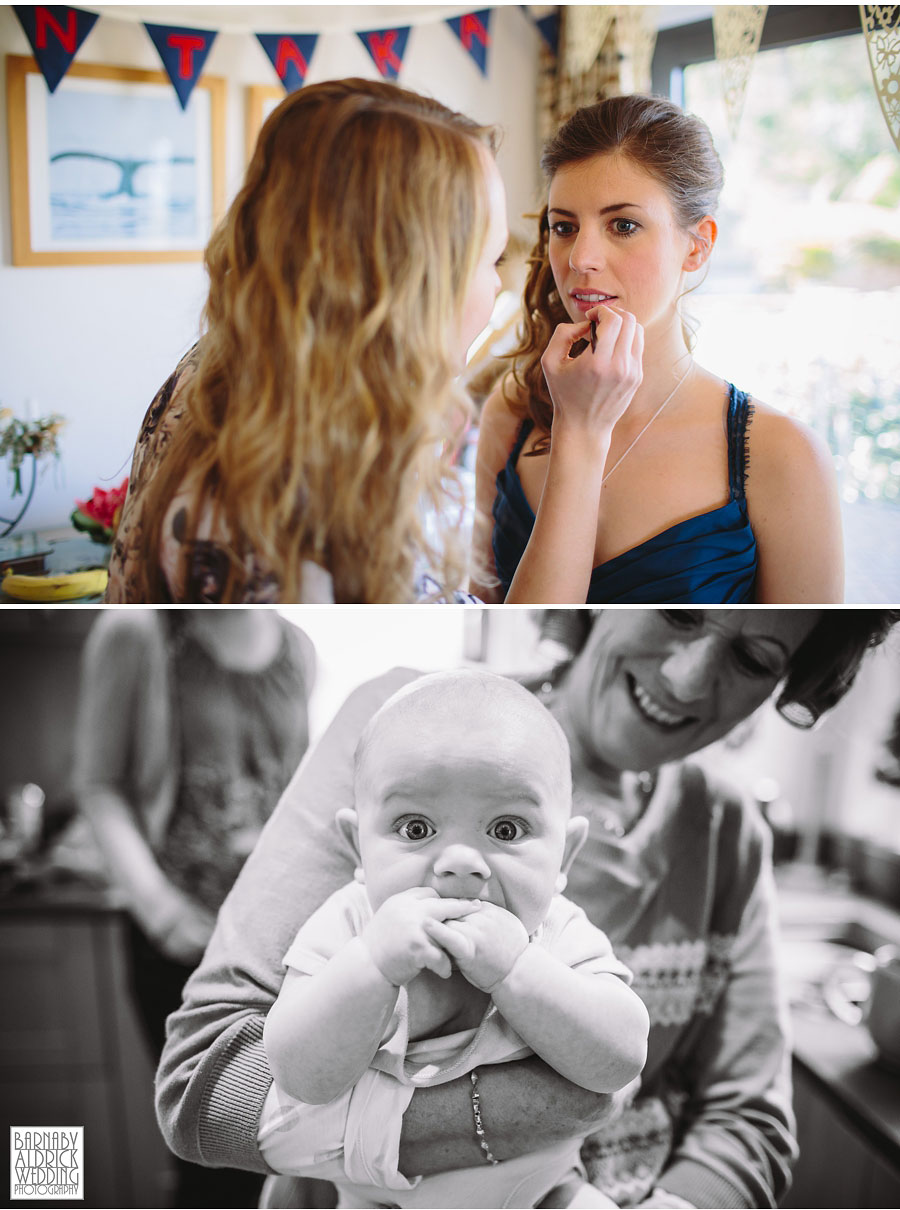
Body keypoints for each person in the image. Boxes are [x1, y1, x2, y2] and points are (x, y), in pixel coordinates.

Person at [155, 608, 897, 1209]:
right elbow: (205, 1088)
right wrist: (526, 1114)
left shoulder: (723, 833)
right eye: (676, 614)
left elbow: (748, 1118)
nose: (688, 677)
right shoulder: (402, 733)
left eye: (755, 659)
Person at [104, 78, 508, 604]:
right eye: (489, 260)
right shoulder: (313, 487)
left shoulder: (218, 366)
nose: (499, 285)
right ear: (411, 285)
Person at [259, 670, 649, 1209]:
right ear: (357, 849)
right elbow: (297, 1074)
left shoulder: (557, 931)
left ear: (564, 857)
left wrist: (518, 970)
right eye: (416, 829)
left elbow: (621, 1059)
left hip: (540, 1196)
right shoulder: (351, 925)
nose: (461, 863)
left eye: (506, 830)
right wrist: (372, 966)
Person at [470, 95, 844, 604]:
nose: (581, 258)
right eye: (564, 226)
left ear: (698, 245)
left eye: (623, 225)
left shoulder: (784, 457)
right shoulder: (512, 413)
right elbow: (482, 623)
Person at [72, 609, 315, 1207]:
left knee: (280, 1144)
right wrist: (158, 906)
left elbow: (290, 791)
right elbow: (100, 784)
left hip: (272, 944)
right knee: (207, 1143)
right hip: (181, 937)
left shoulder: (296, 644)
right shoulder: (139, 633)